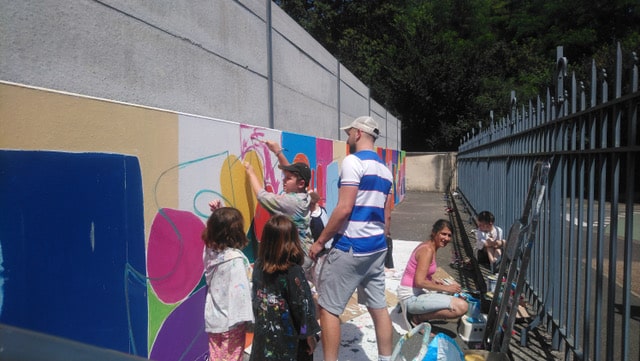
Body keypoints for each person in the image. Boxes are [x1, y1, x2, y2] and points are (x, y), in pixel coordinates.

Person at [308, 115, 394, 361]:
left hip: (352, 247)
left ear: (357, 133)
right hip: (377, 247)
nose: (347, 137)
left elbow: (344, 208)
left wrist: (320, 241)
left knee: (328, 309)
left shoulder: (353, 162)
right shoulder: (385, 170)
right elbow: (386, 216)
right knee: (379, 308)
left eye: (349, 133)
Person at [250, 215, 321, 361]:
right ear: (292, 241)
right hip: (290, 341)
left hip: (264, 338)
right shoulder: (292, 272)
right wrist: (309, 336)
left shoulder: (258, 266)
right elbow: (303, 308)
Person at [243, 140, 314, 279]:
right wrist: (277, 152)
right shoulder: (303, 195)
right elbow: (293, 173)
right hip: (304, 254)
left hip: (297, 258)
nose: (283, 180)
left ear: (300, 184)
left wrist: (251, 172)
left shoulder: (291, 202)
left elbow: (262, 196)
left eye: (288, 178)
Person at [202, 200, 254, 361]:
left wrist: (218, 213)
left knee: (216, 357)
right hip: (231, 322)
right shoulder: (236, 260)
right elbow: (241, 295)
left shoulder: (211, 254)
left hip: (214, 319)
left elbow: (218, 229)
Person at [396, 219, 468, 327]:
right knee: (462, 306)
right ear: (434, 232)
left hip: (415, 293)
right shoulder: (427, 251)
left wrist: (433, 281)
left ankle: (419, 314)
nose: (446, 238)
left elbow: (420, 273)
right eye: (443, 234)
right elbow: (419, 282)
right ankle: (417, 318)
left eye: (449, 235)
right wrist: (447, 288)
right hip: (410, 297)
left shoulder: (430, 247)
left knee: (450, 294)